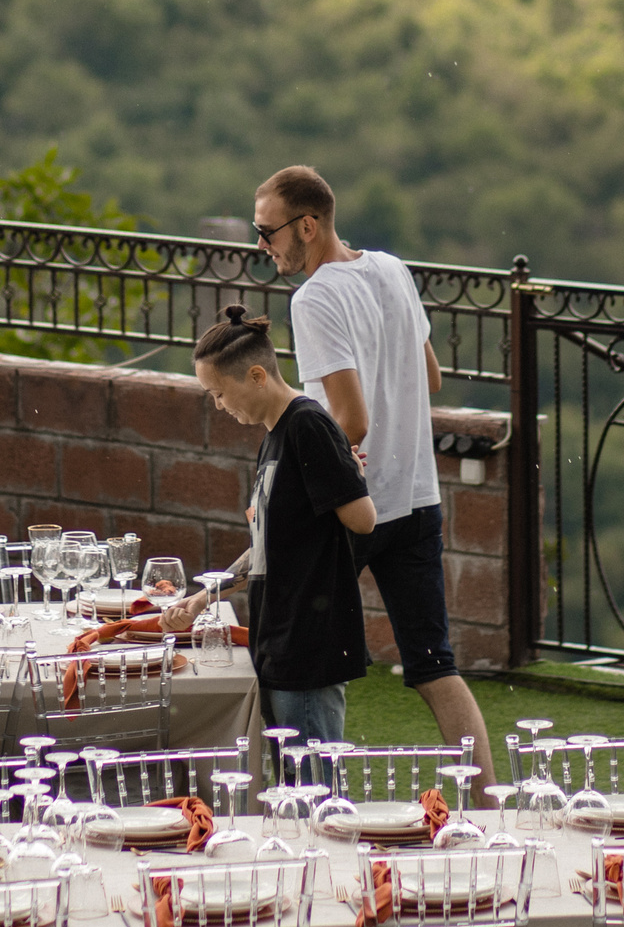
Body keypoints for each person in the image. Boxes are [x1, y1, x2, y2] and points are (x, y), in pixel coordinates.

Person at [170, 165, 497, 792]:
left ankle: (308, 794)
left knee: (297, 647)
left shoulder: (314, 298)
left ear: (307, 226)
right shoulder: (392, 269)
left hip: (353, 502)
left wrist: (298, 478)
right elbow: (429, 377)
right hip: (416, 497)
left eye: (268, 232)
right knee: (435, 666)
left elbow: (350, 421)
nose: (261, 245)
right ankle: (487, 802)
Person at [193, 305, 375, 742]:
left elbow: (363, 519)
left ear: (257, 375)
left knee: (311, 776)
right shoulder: (274, 436)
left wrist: (349, 475)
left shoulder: (307, 425)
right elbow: (268, 544)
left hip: (308, 642)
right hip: (278, 637)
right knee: (291, 777)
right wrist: (202, 599)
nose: (219, 405)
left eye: (219, 393)